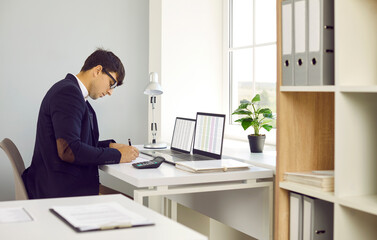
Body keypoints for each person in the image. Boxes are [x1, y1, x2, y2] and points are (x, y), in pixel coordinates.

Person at [22, 48, 139, 199]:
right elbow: (69, 150)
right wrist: (117, 155)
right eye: (111, 83)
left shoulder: (74, 93)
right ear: (98, 70)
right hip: (61, 191)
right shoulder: (68, 94)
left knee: (128, 200)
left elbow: (78, 142)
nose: (110, 91)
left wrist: (110, 146)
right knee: (130, 202)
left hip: (62, 184)